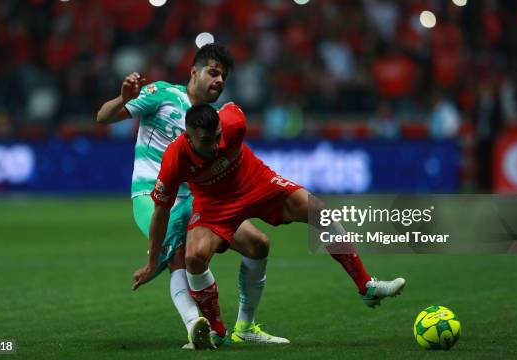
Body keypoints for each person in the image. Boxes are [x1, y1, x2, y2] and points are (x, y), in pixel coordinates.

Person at [132, 102, 406, 348]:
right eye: (206, 141)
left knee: (318, 212)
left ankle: (366, 286)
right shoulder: (174, 158)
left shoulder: (234, 122)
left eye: (217, 137)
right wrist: (152, 261)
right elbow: (161, 212)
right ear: (187, 136)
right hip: (214, 205)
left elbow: (228, 108)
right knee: (195, 256)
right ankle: (218, 332)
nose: (215, 146)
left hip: (255, 182)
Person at [97, 44, 288, 349]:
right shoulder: (162, 94)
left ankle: (245, 326)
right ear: (194, 72)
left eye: (223, 76)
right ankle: (195, 326)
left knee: (257, 245)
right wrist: (123, 98)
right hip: (151, 194)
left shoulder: (213, 119)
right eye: (213, 72)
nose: (219, 81)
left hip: (198, 199)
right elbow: (103, 117)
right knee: (178, 255)